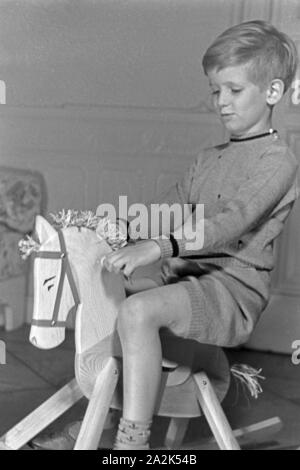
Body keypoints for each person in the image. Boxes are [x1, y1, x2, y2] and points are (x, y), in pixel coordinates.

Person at [32, 19, 299, 450]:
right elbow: (170, 204)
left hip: (230, 290)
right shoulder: (209, 157)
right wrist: (117, 226)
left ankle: (132, 443)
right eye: (215, 91)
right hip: (183, 277)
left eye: (234, 90)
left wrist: (158, 245)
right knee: (108, 291)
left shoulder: (277, 161)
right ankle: (95, 418)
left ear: (272, 92)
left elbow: (233, 220)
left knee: (138, 313)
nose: (221, 103)